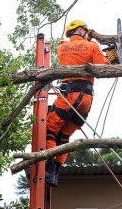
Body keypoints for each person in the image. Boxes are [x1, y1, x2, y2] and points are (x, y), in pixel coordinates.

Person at [45, 20, 117, 186]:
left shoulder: (61, 47)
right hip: (86, 99)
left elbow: (75, 55)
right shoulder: (92, 46)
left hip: (69, 95)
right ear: (80, 30)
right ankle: (56, 171)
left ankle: (49, 170)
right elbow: (104, 67)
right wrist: (113, 57)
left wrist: (88, 37)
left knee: (50, 129)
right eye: (85, 31)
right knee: (64, 135)